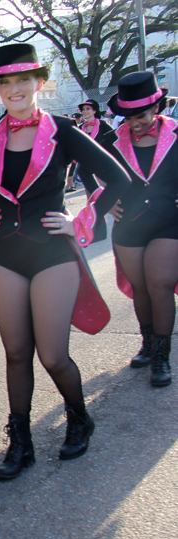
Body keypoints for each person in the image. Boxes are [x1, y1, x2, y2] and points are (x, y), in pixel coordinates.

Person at [0, 43, 131, 481]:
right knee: (15, 354)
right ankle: (21, 442)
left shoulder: (63, 130)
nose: (15, 89)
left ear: (40, 83)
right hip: (4, 253)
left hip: (52, 253)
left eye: (23, 80)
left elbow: (118, 179)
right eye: (5, 82)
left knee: (52, 355)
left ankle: (79, 418)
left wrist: (80, 221)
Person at [98, 72, 178, 387]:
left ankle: (161, 357)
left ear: (156, 107)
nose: (135, 123)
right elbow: (90, 171)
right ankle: (147, 343)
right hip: (129, 224)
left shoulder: (176, 134)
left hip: (168, 221)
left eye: (141, 116)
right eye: (129, 117)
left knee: (160, 285)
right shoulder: (111, 140)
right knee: (141, 287)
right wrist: (103, 201)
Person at [75, 99, 115, 241]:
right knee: (92, 199)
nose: (85, 111)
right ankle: (97, 231)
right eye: (83, 109)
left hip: (102, 166)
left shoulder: (104, 126)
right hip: (85, 167)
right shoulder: (80, 128)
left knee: (102, 197)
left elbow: (113, 142)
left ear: (94, 111)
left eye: (88, 109)